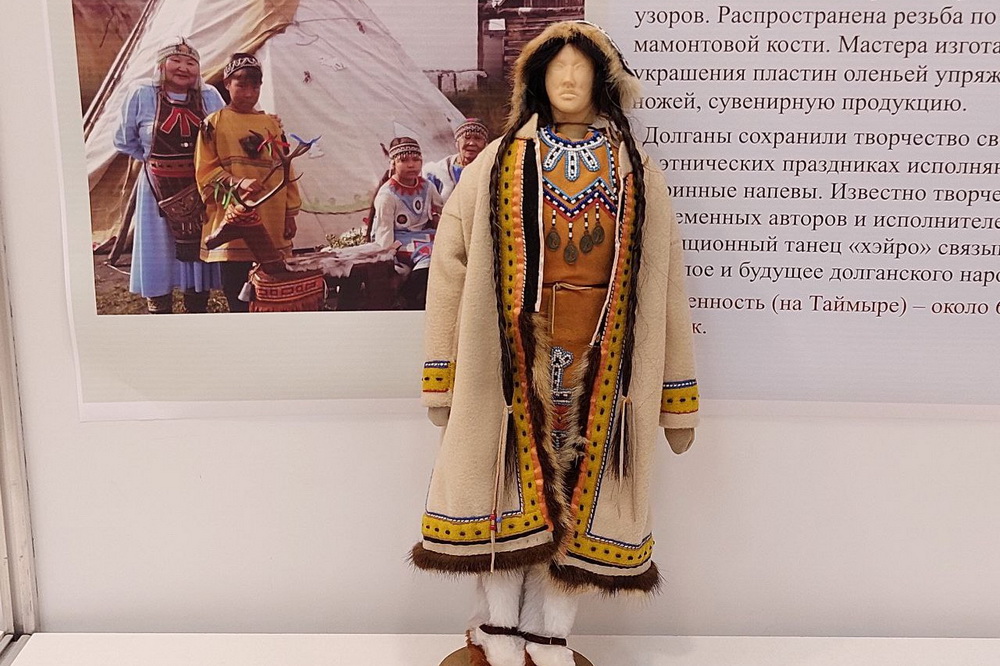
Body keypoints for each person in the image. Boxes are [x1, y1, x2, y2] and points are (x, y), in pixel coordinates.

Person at [413, 21, 699, 666]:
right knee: (505, 493)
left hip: (603, 370)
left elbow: (666, 285)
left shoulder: (637, 173)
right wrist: (442, 375)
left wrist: (675, 396)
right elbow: (449, 269)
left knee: (579, 500)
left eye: (581, 67)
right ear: (536, 80)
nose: (568, 79)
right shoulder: (495, 165)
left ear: (605, 79)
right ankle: (497, 630)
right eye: (556, 67)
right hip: (508, 372)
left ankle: (551, 635)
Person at [113, 36, 224, 314]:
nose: (183, 68)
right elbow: (124, 140)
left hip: (199, 186)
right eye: (176, 60)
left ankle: (196, 307)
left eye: (190, 63)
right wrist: (153, 161)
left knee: (196, 247)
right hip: (156, 188)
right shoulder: (141, 93)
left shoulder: (209, 95)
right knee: (158, 249)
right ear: (161, 64)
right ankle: (160, 310)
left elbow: (225, 135)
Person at [195, 52, 299, 313]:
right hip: (234, 215)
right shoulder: (213, 124)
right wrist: (237, 182)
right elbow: (204, 170)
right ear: (227, 84)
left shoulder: (271, 124)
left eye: (255, 86)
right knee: (236, 285)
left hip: (272, 214)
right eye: (241, 85)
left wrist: (289, 213)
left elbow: (286, 168)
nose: (249, 93)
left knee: (270, 282)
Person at [368, 136, 443, 309]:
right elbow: (384, 232)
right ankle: (410, 297)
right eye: (404, 160)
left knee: (447, 247)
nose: (411, 165)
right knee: (430, 253)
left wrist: (438, 219)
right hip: (397, 239)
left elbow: (442, 210)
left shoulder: (427, 187)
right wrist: (388, 260)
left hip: (424, 235)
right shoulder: (387, 195)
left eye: (416, 159)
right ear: (393, 163)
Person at [423, 118, 489, 202]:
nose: (471, 143)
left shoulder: (491, 171)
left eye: (477, 138)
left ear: (485, 144)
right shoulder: (439, 173)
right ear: (457, 143)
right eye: (467, 137)